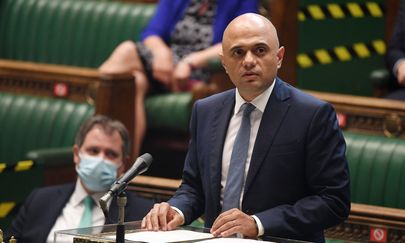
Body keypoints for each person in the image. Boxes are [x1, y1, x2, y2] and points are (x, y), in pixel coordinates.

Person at [141, 13, 350, 243]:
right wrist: (176, 210)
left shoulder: (312, 115)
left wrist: (258, 224)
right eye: (238, 52)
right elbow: (194, 188)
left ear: (279, 57)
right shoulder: (205, 111)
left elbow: (333, 201)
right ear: (224, 62)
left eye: (259, 50)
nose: (248, 60)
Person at [99, 0, 258, 156]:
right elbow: (152, 33)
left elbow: (239, 41)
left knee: (127, 50)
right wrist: (161, 52)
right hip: (165, 67)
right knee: (135, 81)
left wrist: (190, 62)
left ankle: (96, 92)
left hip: (203, 71)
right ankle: (126, 169)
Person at [5, 115, 153, 243]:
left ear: (122, 165)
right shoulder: (39, 200)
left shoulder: (143, 213)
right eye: (93, 151)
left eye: (110, 154)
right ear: (76, 154)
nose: (100, 160)